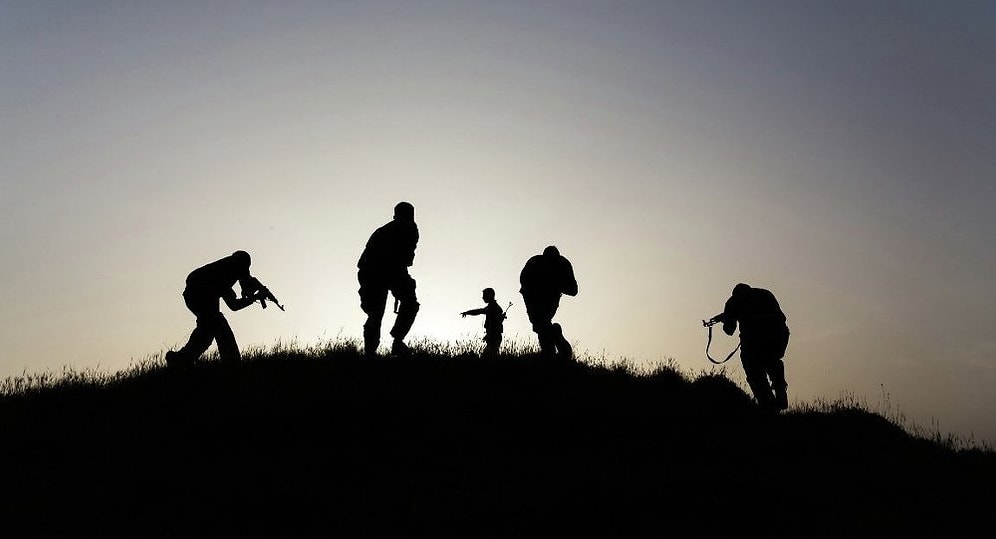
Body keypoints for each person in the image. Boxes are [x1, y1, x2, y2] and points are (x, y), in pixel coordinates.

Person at [165, 250, 270, 368]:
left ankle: (180, 360)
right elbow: (233, 305)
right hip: (199, 295)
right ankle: (232, 365)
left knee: (207, 332)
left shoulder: (228, 268)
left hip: (196, 295)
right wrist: (254, 297)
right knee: (220, 327)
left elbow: (242, 285)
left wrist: (251, 293)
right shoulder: (224, 273)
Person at [709, 283, 790, 412]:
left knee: (754, 371)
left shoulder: (733, 301)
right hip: (780, 334)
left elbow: (730, 330)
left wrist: (727, 319)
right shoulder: (765, 293)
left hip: (755, 339)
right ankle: (779, 389)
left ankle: (768, 405)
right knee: (771, 360)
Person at [357, 201, 420, 357]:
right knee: (376, 313)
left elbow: (407, 260)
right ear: (395, 216)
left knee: (410, 303)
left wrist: (405, 282)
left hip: (392, 271)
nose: (408, 218)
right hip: (373, 273)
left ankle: (397, 342)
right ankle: (370, 353)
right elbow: (368, 263)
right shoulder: (384, 233)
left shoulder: (412, 230)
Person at [519, 245, 578, 360]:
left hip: (541, 299)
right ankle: (552, 345)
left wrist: (554, 286)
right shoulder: (538, 262)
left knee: (541, 324)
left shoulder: (559, 264)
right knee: (541, 325)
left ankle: (549, 351)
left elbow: (573, 290)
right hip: (536, 298)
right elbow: (524, 280)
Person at [460, 288, 507, 359]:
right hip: (493, 336)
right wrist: (468, 312)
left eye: (484, 296)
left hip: (494, 336)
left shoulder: (494, 308)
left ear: (489, 296)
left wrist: (489, 335)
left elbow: (494, 323)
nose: (482, 297)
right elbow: (480, 311)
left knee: (488, 357)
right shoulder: (491, 307)